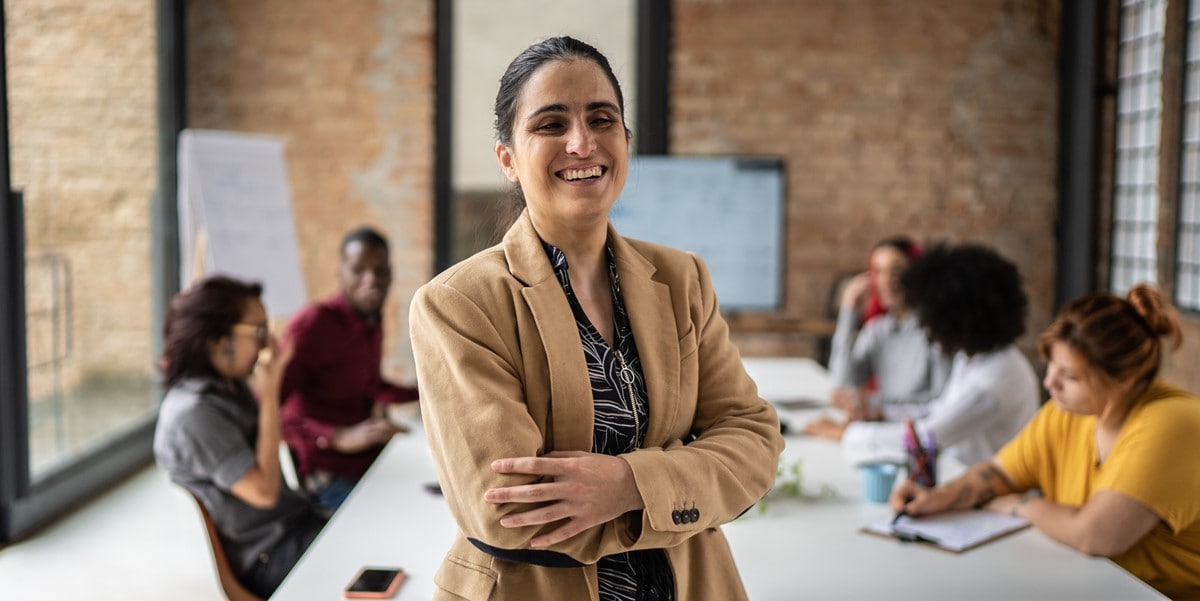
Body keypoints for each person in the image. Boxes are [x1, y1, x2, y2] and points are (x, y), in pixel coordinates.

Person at [408, 36, 784, 601]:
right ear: (507, 158)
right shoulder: (459, 305)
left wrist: (629, 484)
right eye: (550, 125)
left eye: (601, 119)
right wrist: (691, 484)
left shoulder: (681, 280)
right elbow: (510, 510)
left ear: (625, 141)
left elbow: (753, 442)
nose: (582, 142)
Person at [891, 284, 1200, 599]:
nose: (1049, 381)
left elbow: (1095, 535)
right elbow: (1000, 474)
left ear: (1124, 380)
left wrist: (1022, 505)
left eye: (1069, 375)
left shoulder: (1172, 424)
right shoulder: (1067, 412)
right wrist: (938, 497)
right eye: (1051, 364)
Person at [153, 275, 326, 598]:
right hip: (272, 554)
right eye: (258, 331)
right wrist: (271, 392)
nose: (267, 344)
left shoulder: (228, 389)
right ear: (217, 342)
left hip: (295, 525)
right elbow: (264, 492)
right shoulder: (193, 415)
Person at [805, 243, 1040, 467]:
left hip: (981, 494)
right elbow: (940, 408)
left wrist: (846, 434)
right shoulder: (974, 358)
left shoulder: (993, 383)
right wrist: (880, 410)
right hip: (955, 474)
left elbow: (928, 437)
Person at [280, 226, 418, 511]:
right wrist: (337, 437)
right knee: (395, 518)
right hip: (324, 471)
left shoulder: (371, 320)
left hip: (366, 460)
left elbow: (369, 386)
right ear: (340, 273)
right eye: (358, 270)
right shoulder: (314, 324)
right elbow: (267, 411)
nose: (372, 281)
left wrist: (427, 391)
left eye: (381, 271)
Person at [825, 235, 951, 421]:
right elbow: (841, 384)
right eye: (878, 272)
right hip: (883, 432)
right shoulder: (877, 330)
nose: (886, 280)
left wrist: (880, 409)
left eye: (896, 270)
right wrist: (849, 310)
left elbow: (944, 405)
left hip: (918, 438)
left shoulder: (936, 331)